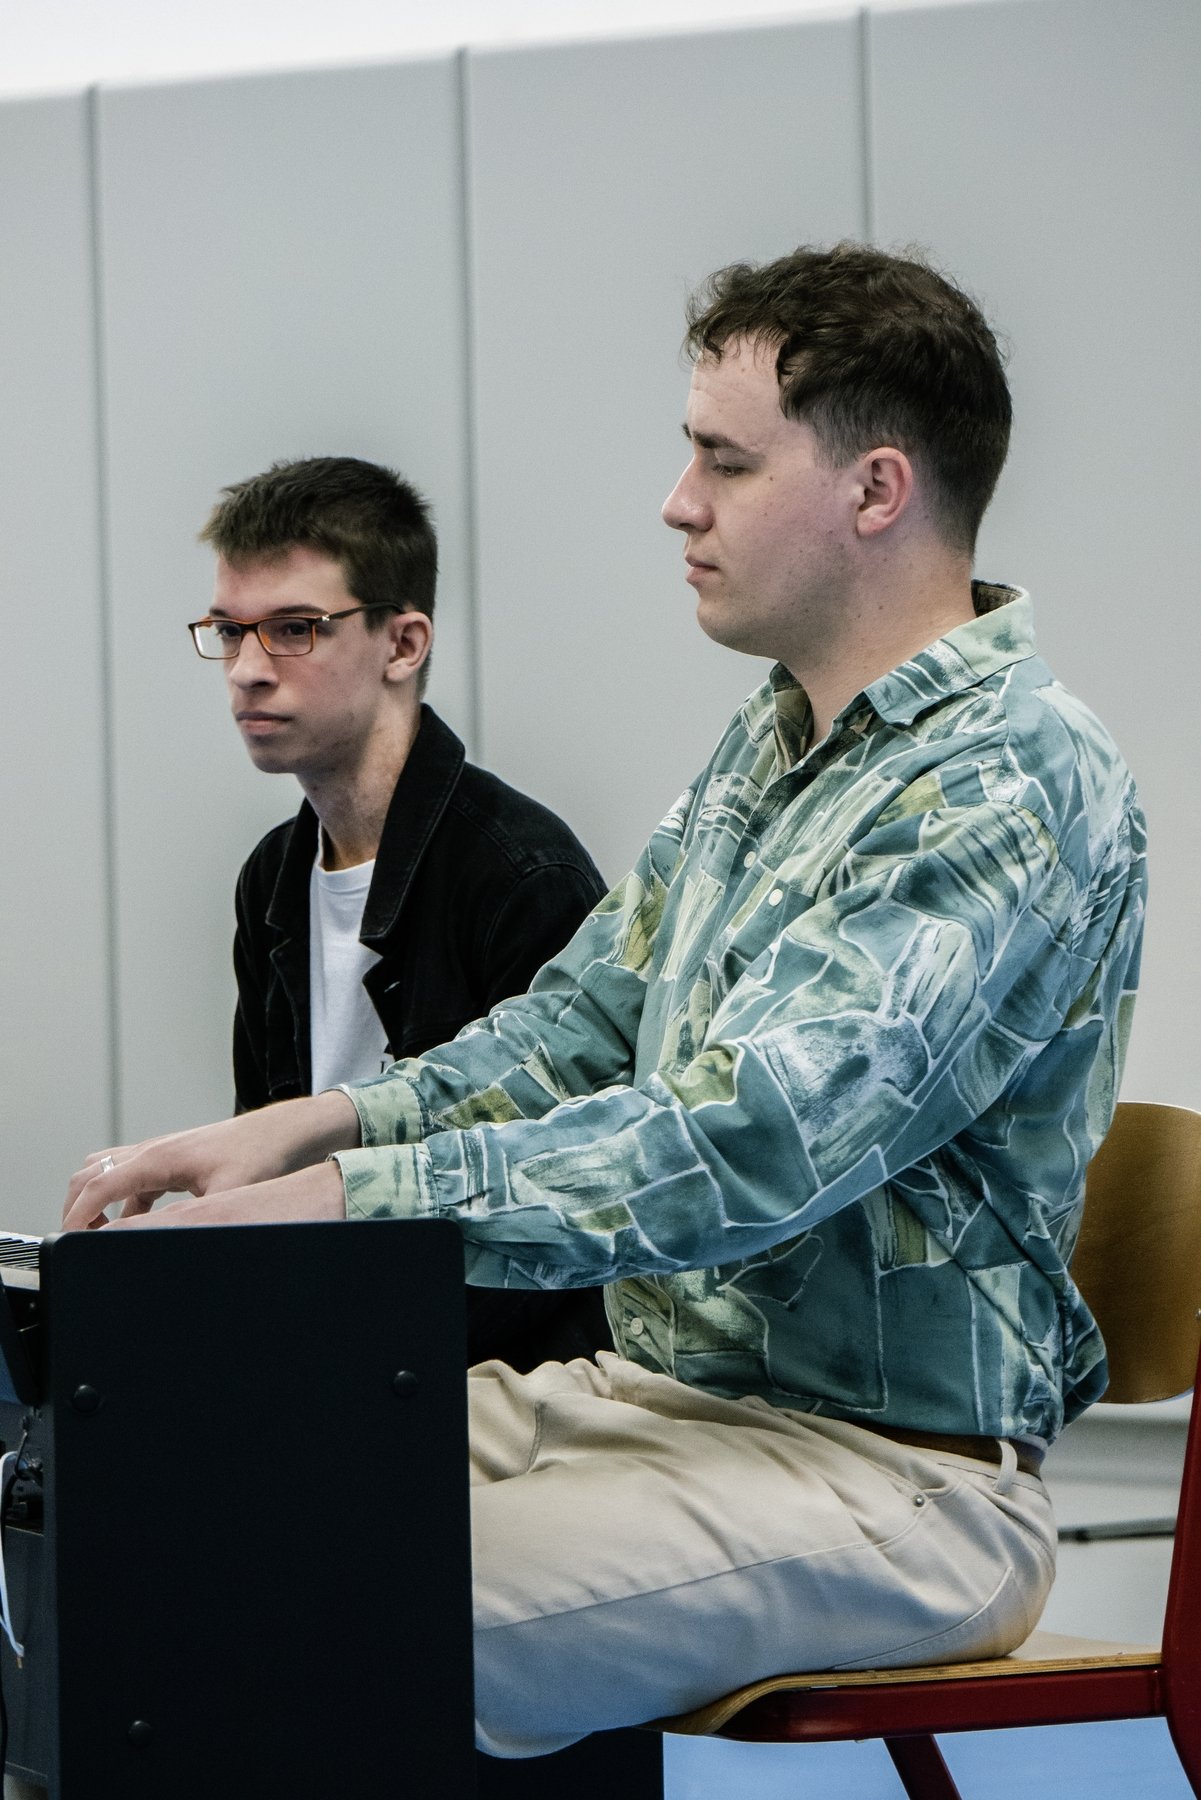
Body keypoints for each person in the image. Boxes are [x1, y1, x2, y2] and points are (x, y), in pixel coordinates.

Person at [66, 245, 1147, 1759]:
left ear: (876, 490)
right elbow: (577, 1024)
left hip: (895, 1475)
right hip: (653, 1400)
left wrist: (356, 1203)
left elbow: (749, 1141)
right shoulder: (772, 746)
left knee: (301, 1606)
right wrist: (319, 1128)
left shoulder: (1009, 779)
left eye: (724, 460)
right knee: (132, 1493)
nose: (677, 501)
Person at [192, 455, 610, 1370]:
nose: (247, 671)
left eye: (293, 629)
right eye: (228, 632)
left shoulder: (521, 874)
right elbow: (265, 1157)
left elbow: (562, 1213)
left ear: (403, 644)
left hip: (501, 1384)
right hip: (334, 1352)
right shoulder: (271, 877)